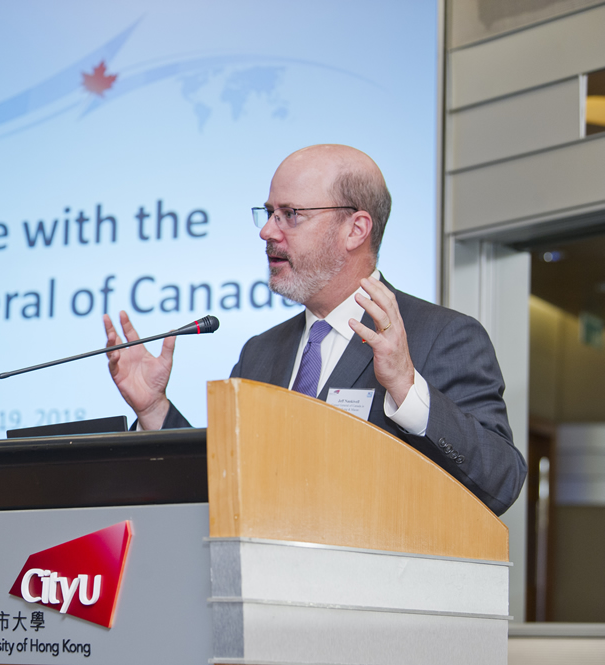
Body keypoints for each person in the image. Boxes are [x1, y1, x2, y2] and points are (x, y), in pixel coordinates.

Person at [103, 144, 526, 516]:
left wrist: (406, 388)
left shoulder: (443, 336)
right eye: (268, 213)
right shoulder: (262, 352)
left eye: (290, 215)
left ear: (356, 229)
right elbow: (223, 483)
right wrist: (155, 410)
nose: (268, 231)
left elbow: (501, 483)